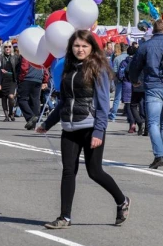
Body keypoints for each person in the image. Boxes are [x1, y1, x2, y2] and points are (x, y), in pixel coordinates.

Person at [36, 30, 130, 229]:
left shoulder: (98, 68)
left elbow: (104, 103)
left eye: (84, 46)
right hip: (69, 128)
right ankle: (64, 217)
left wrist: (99, 131)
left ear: (92, 48)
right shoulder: (68, 68)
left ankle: (122, 200)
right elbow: (64, 101)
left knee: (94, 172)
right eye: (77, 45)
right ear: (71, 47)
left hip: (90, 126)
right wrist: (47, 123)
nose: (80, 49)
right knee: (68, 171)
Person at [128, 19, 163, 169]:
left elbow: (135, 66)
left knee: (153, 122)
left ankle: (159, 155)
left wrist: (134, 80)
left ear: (153, 30)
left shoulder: (145, 46)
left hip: (153, 87)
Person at [17, 56, 49, 130]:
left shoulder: (27, 52)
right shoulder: (41, 54)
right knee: (35, 100)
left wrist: (21, 77)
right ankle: (33, 124)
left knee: (22, 99)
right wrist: (45, 80)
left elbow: (24, 66)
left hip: (27, 78)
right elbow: (45, 68)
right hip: (38, 78)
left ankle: (30, 117)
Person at [0, 42, 19, 122]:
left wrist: (8, 73)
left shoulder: (16, 57)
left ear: (11, 48)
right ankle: (6, 116)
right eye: (6, 47)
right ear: (3, 48)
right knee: (3, 98)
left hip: (12, 80)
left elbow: (17, 70)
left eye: (9, 47)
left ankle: (11, 113)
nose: (8, 48)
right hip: (2, 80)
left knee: (11, 96)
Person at [110, 43, 129, 122]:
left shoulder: (117, 58)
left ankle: (113, 115)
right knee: (129, 99)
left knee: (117, 98)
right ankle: (129, 116)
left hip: (120, 80)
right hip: (129, 81)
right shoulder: (130, 57)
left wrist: (113, 80)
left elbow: (114, 71)